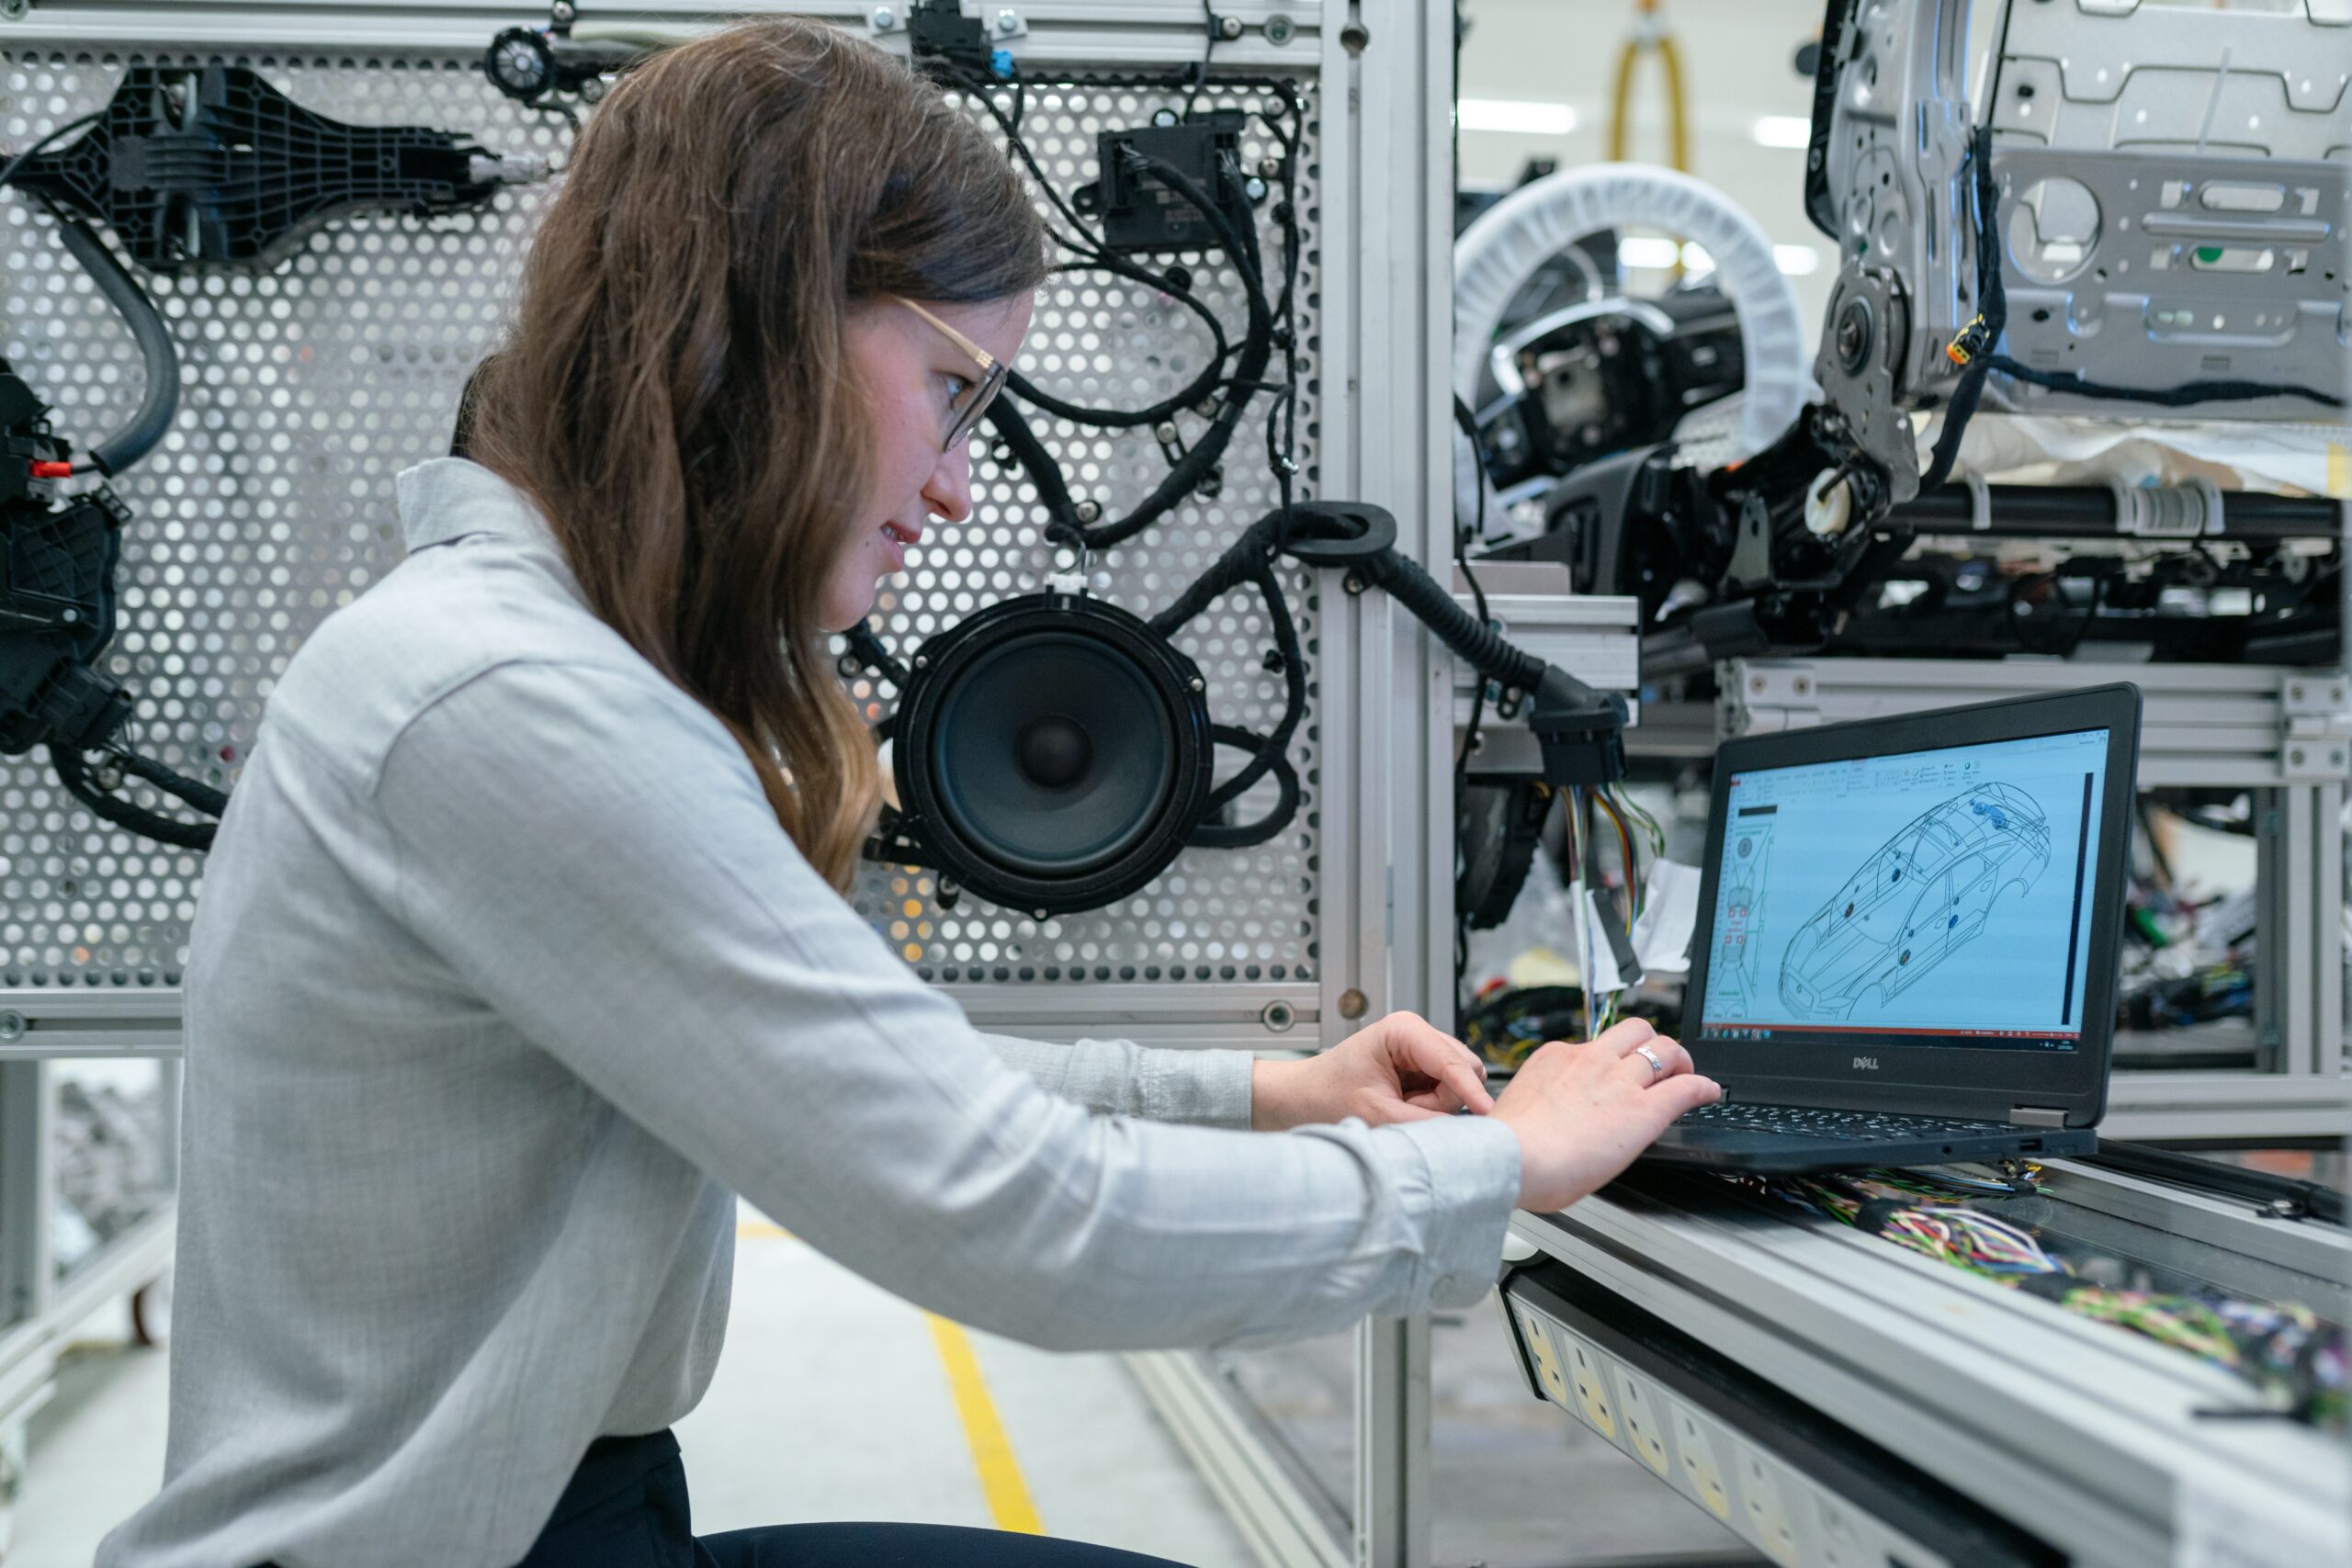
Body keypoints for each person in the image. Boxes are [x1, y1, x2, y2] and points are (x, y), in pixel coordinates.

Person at [98, 19, 1718, 1568]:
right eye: (955, 393)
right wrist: (1500, 1166)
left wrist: (1273, 1094)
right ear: (765, 324)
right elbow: (1012, 1216)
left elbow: (873, 1072)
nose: (954, 482)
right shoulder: (515, 703)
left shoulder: (512, 660)